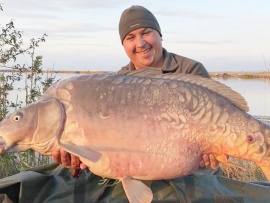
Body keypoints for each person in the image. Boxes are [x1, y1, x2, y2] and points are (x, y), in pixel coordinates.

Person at [52, 5, 221, 179]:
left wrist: (209, 154)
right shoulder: (117, 85)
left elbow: (219, 122)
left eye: (146, 32)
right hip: (144, 169)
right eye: (130, 37)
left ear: (159, 34)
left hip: (192, 174)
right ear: (124, 44)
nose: (140, 43)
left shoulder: (190, 70)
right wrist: (78, 159)